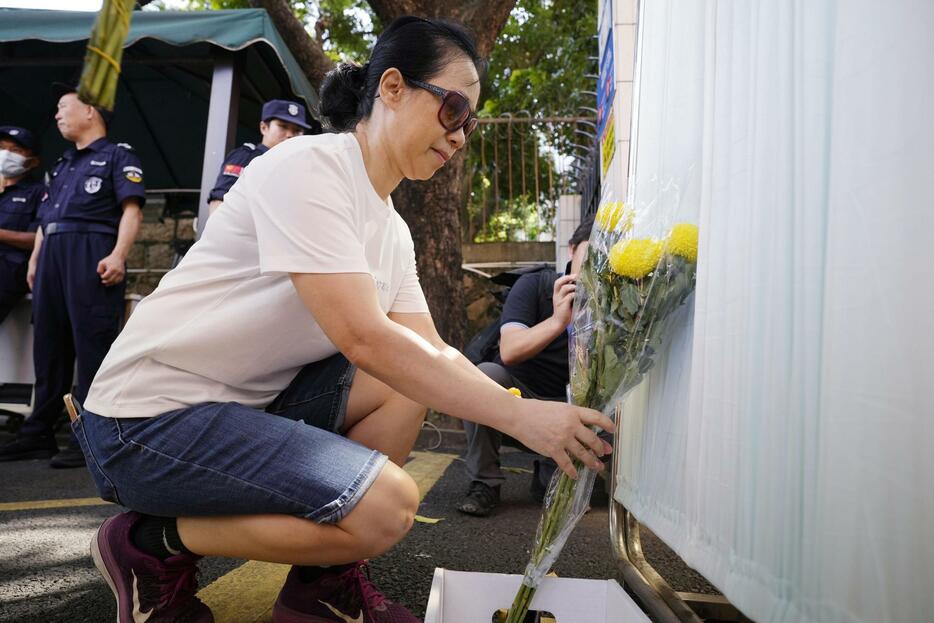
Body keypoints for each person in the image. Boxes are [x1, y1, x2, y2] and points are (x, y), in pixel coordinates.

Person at [74, 16, 613, 623]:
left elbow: (428, 351)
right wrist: (522, 416)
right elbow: (363, 338)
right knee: (385, 508)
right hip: (143, 424)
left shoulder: (392, 229)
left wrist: (538, 412)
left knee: (409, 383)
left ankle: (320, 591)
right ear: (390, 87)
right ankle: (149, 546)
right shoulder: (310, 167)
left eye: (472, 122)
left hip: (237, 413)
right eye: (454, 107)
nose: (462, 136)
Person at [0, 86, 145, 469]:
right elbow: (46, 222)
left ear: (91, 112)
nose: (57, 115)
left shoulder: (117, 156)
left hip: (91, 249)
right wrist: (35, 260)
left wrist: (118, 254)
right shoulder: (62, 164)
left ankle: (91, 437)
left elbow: (131, 210)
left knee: (91, 344)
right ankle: (38, 432)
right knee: (48, 344)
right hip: (53, 254)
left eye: (64, 107)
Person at [458, 219, 594, 516]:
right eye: (590, 251)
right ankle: (485, 482)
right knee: (485, 376)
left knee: (583, 493)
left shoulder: (614, 301)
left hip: (571, 407)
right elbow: (510, 350)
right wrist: (559, 321)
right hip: (520, 400)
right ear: (572, 249)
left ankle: (548, 471)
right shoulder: (535, 285)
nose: (596, 261)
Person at [206, 99, 312, 214]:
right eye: (283, 126)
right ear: (264, 127)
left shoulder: (299, 167)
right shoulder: (246, 157)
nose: (290, 135)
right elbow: (219, 205)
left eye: (297, 130)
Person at [0, 126, 43, 323]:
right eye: (2, 148)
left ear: (32, 161)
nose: (6, 154)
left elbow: (38, 238)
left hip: (10, 271)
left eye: (15, 151)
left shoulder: (39, 193)